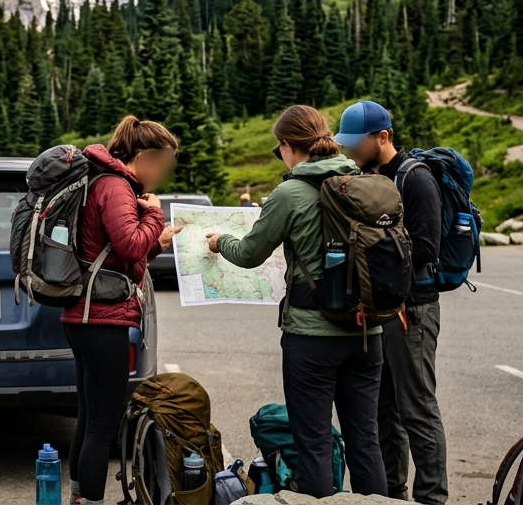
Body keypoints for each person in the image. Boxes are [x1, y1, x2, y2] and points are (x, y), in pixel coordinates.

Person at [206, 105, 387, 498]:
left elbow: (250, 253)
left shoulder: (289, 193)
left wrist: (222, 242)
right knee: (365, 440)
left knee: (315, 444)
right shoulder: (366, 182)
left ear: (288, 146)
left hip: (312, 335)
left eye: (279, 150)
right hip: (367, 331)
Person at [63, 115, 181, 505]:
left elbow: (116, 253)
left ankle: (81, 498)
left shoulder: (106, 182)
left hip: (86, 316)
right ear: (143, 156)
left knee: (89, 418)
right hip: (101, 319)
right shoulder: (115, 186)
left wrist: (156, 241)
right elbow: (129, 245)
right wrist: (155, 214)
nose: (162, 174)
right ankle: (91, 501)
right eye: (162, 164)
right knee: (102, 425)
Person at [335, 100, 448, 505]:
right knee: (383, 411)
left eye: (355, 142)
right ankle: (392, 496)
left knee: (416, 407)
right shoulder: (365, 175)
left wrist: (369, 247)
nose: (348, 150)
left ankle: (432, 499)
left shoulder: (415, 179)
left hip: (413, 309)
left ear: (382, 137)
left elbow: (426, 247)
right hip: (380, 311)